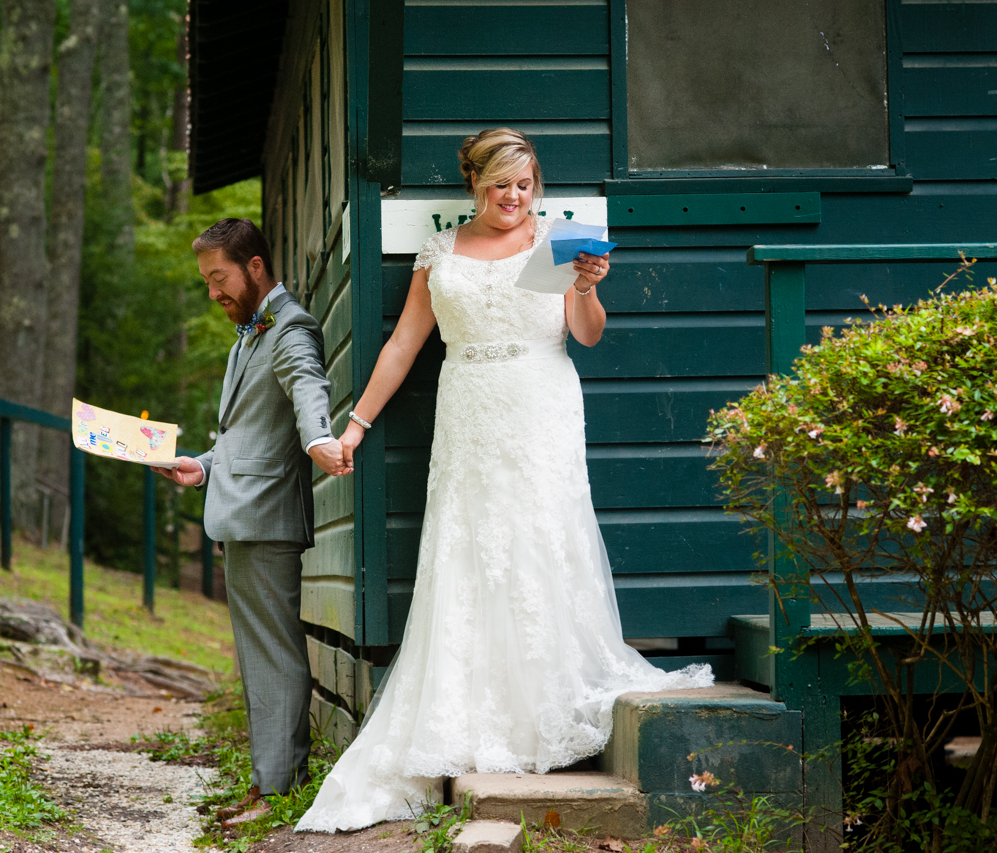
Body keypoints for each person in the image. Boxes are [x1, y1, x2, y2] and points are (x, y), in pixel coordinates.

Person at [296, 127, 712, 833]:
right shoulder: (440, 253)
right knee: (472, 544)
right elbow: (403, 344)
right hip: (469, 409)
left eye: (525, 186)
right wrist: (356, 425)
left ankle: (545, 710)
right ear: (475, 185)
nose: (514, 198)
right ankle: (479, 711)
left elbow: (586, 334)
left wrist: (585, 287)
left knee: (541, 536)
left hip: (542, 401)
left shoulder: (557, 239)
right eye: (500, 187)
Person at [153, 218, 345, 828]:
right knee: (259, 655)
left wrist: (319, 438)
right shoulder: (246, 335)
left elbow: (306, 388)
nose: (213, 292)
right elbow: (246, 433)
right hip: (242, 512)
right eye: (207, 281)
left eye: (219, 278)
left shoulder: (289, 329)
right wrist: (202, 466)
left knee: (273, 656)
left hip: (266, 520)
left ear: (255, 266)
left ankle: (277, 791)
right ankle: (272, 781)